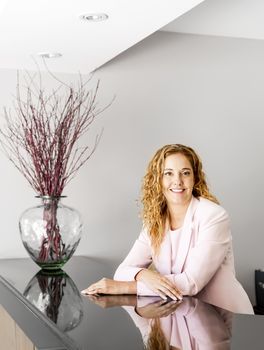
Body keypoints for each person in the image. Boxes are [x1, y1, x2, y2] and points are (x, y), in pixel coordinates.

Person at [81, 144, 253, 314]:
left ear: (195, 178)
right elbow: (122, 271)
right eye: (168, 173)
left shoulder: (213, 216)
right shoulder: (154, 221)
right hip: (182, 314)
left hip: (222, 316)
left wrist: (124, 287)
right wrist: (143, 274)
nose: (177, 181)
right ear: (158, 179)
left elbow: (191, 283)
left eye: (185, 173)